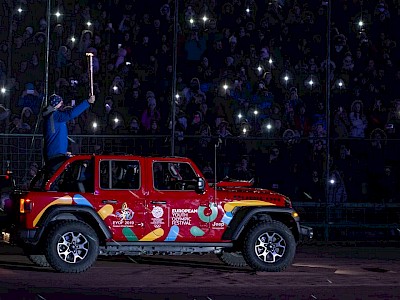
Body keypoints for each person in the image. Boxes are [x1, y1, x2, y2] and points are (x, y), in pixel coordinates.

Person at [42, 93, 95, 180]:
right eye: (61, 103)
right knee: (54, 180)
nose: (62, 104)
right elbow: (71, 114)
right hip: (56, 155)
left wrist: (63, 152)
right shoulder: (55, 116)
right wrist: (87, 102)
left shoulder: (51, 116)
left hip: (56, 153)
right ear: (56, 104)